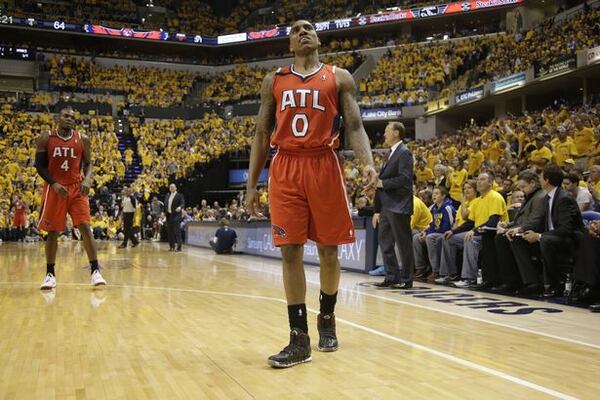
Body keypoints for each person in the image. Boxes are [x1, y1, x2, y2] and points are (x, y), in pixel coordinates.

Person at [245, 20, 377, 369]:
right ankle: (298, 337)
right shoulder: (274, 79)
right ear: (290, 43)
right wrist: (251, 185)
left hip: (324, 163)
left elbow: (355, 127)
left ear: (317, 38)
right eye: (295, 29)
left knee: (329, 253)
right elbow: (261, 132)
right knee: (290, 251)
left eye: (309, 27)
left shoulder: (339, 76)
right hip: (285, 165)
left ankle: (328, 317)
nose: (303, 31)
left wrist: (367, 164)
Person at [35, 107, 107, 289]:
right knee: (53, 232)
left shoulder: (83, 139)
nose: (69, 119)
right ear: (58, 118)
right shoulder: (46, 138)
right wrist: (53, 183)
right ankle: (50, 274)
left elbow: (89, 163)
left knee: (85, 226)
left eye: (72, 117)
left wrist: (88, 178)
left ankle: (95, 271)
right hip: (55, 188)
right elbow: (39, 166)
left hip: (76, 188)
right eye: (66, 116)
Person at [519, 165, 585, 296]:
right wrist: (523, 231)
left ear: (547, 180)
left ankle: (555, 284)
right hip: (553, 235)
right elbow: (542, 222)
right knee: (517, 238)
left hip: (570, 239)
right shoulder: (548, 197)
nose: (539, 179)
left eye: (541, 177)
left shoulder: (563, 198)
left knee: (546, 240)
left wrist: (539, 236)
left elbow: (566, 229)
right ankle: (529, 282)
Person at [371, 122, 414, 289]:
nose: (384, 134)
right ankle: (392, 276)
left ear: (396, 133)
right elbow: (383, 181)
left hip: (399, 205)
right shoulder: (389, 153)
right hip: (387, 206)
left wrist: (383, 183)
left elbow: (404, 179)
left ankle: (407, 278)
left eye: (387, 131)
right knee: (385, 242)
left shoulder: (404, 153)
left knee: (404, 244)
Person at [493, 171, 546, 293]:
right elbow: (519, 219)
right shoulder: (530, 196)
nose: (522, 190)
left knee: (515, 239)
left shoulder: (540, 197)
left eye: (523, 187)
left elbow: (535, 221)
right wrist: (507, 225)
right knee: (500, 238)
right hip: (522, 229)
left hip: (534, 233)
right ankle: (510, 280)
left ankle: (532, 281)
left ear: (533, 183)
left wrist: (516, 229)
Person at [164, 183, 184, 251]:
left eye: (173, 187)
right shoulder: (167, 195)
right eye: (170, 187)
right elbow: (165, 205)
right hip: (169, 215)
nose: (171, 188)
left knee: (177, 231)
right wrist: (163, 212)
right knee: (170, 232)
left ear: (176, 188)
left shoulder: (179, 195)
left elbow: (183, 203)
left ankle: (179, 246)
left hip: (176, 215)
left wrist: (180, 207)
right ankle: (171, 246)